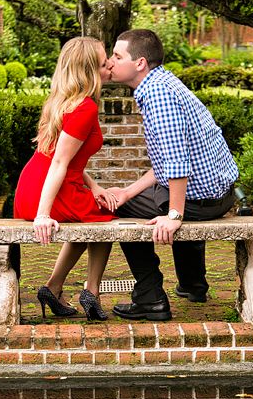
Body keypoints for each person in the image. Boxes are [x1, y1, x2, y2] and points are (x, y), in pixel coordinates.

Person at [104, 28, 239, 321]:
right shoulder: (163, 82)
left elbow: (176, 164)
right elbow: (167, 164)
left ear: (139, 63)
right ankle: (193, 285)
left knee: (123, 209)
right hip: (218, 194)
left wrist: (175, 216)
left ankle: (150, 298)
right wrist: (128, 190)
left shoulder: (158, 95)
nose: (110, 61)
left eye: (117, 55)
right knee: (146, 196)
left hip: (201, 200)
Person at [13, 36, 117, 321]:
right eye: (104, 61)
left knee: (90, 219)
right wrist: (43, 215)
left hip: (34, 185)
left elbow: (67, 158)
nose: (109, 65)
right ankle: (92, 292)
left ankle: (54, 287)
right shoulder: (86, 108)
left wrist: (94, 186)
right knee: (106, 221)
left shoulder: (62, 102)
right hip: (48, 190)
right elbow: (59, 162)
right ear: (89, 69)